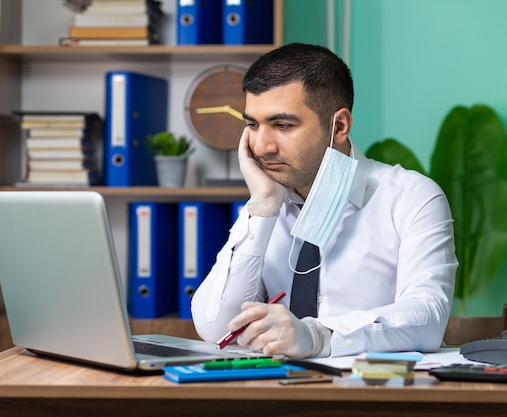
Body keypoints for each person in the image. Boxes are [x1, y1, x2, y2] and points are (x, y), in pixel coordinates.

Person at [191, 43, 457, 359]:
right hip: (277, 395)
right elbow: (216, 327)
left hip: (373, 397)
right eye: (252, 125)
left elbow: (427, 318)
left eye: (282, 125)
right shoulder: (269, 200)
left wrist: (319, 336)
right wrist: (262, 206)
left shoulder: (411, 197)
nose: (261, 146)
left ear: (339, 127)